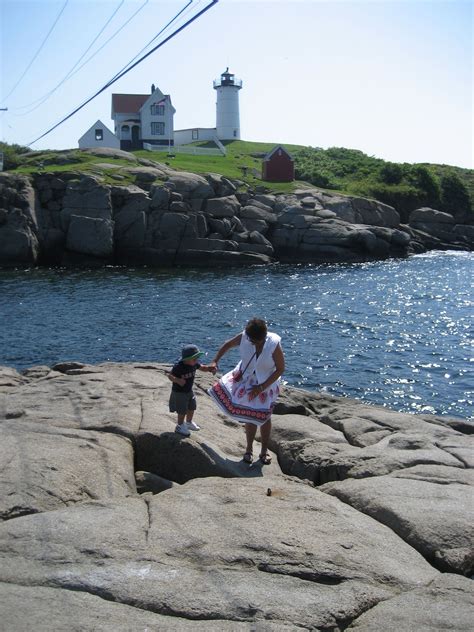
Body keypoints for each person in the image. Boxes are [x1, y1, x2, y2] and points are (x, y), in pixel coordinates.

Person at [208, 318, 285, 464]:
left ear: (265, 335)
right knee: (250, 414)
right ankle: (249, 449)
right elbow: (228, 344)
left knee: (264, 416)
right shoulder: (244, 337)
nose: (255, 344)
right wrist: (215, 361)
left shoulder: (273, 343)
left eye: (258, 341)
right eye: (253, 341)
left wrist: (262, 387)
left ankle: (264, 451)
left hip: (266, 382)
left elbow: (280, 369)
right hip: (247, 377)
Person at [167, 344, 216, 436]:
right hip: (179, 392)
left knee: (192, 406)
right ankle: (180, 425)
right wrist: (177, 380)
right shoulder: (179, 366)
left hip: (189, 390)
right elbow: (170, 376)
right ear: (186, 359)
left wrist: (210, 368)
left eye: (197, 358)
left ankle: (188, 422)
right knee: (182, 410)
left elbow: (202, 367)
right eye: (194, 359)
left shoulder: (194, 364)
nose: (196, 360)